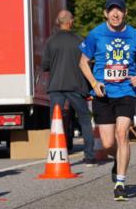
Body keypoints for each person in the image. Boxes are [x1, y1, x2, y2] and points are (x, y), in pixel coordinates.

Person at [79, 0, 136, 201]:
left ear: (125, 13)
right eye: (111, 10)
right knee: (108, 143)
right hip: (103, 93)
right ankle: (119, 160)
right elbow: (83, 62)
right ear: (105, 13)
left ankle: (120, 182)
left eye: (119, 10)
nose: (115, 13)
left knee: (122, 134)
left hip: (126, 91)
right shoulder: (95, 35)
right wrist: (93, 83)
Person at [41, 10, 96, 165]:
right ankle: (90, 156)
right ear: (70, 22)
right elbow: (88, 63)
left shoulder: (51, 41)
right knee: (84, 119)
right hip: (77, 86)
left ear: (58, 22)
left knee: (56, 121)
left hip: (56, 86)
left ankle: (57, 156)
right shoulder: (80, 41)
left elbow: (45, 65)